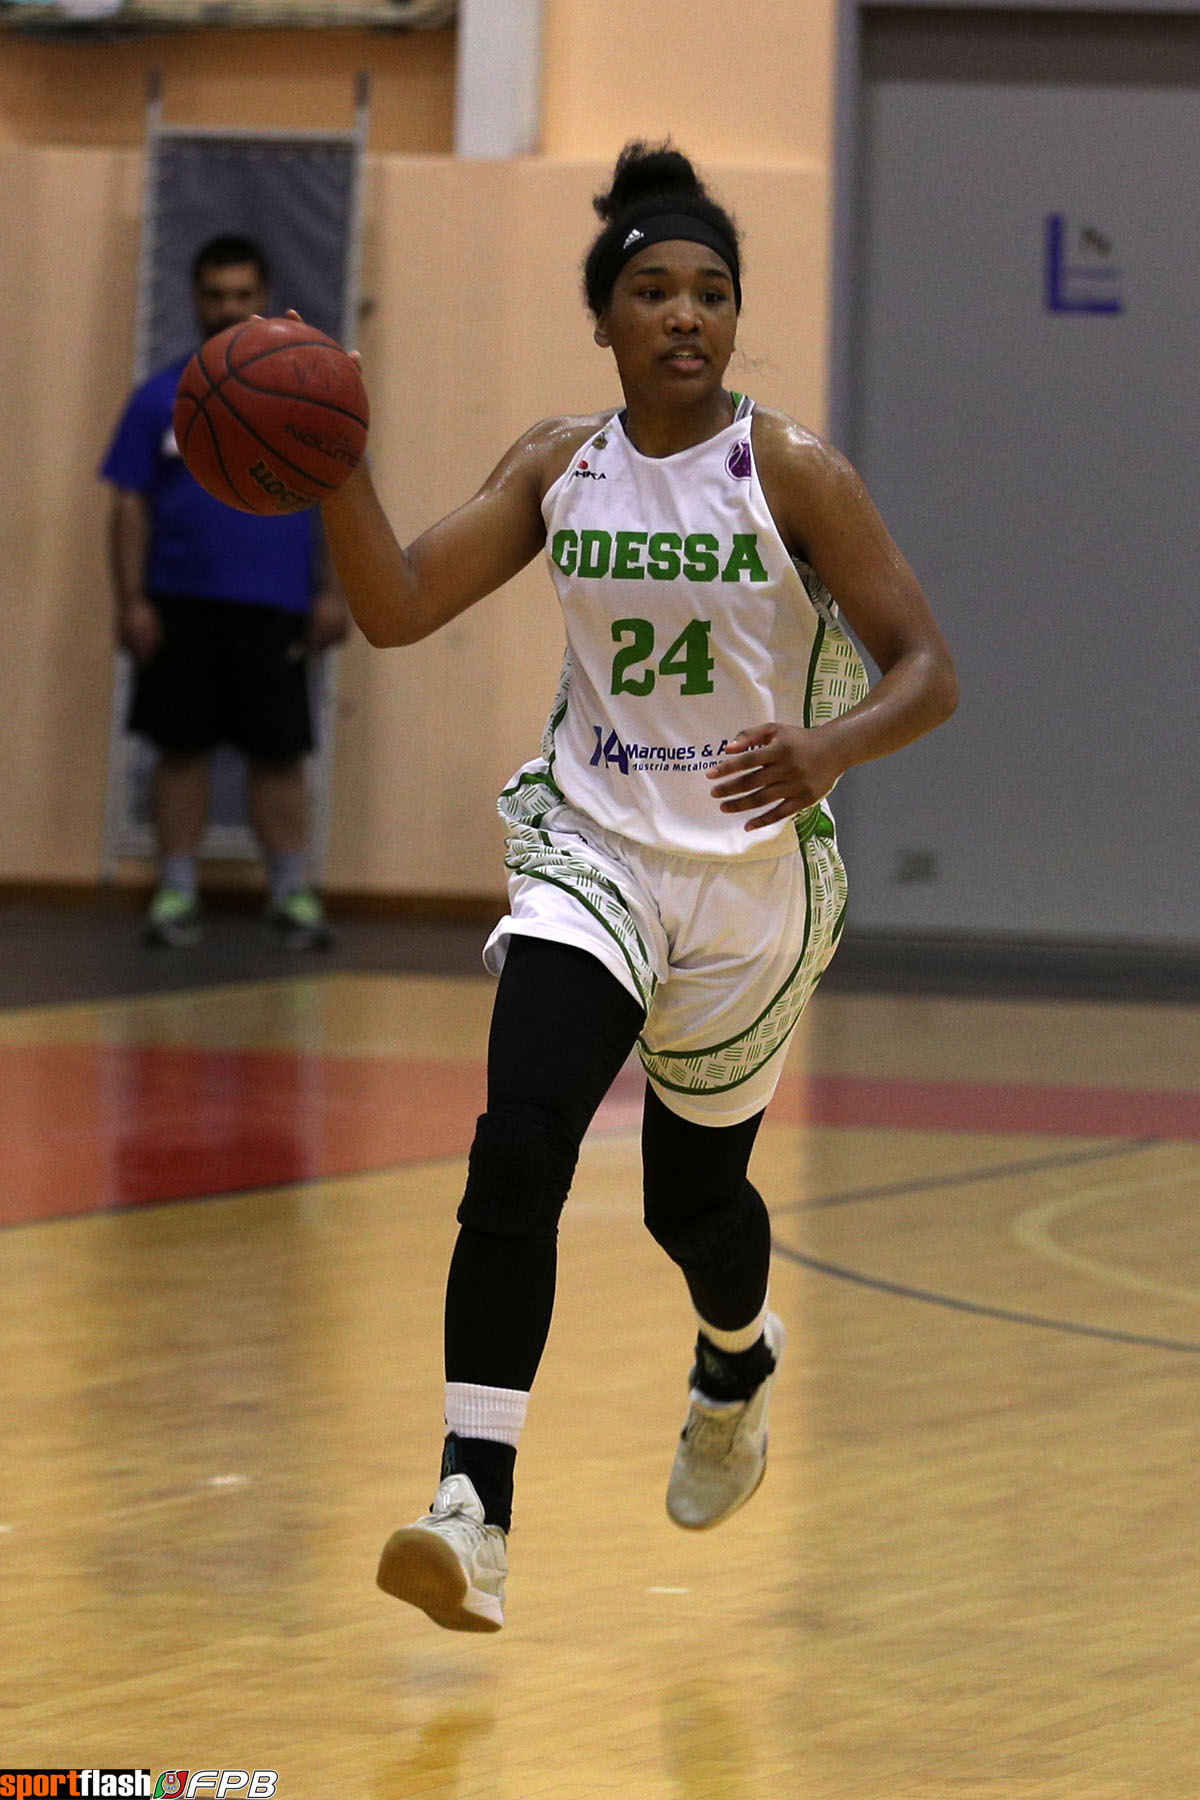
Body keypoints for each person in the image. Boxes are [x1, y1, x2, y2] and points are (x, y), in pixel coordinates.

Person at [320, 142, 959, 1633]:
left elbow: (928, 670)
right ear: (603, 317)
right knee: (520, 1141)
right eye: (655, 290)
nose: (686, 314)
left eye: (712, 292)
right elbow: (397, 605)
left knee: (693, 1204)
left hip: (747, 879)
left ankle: (737, 1356)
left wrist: (830, 747)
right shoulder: (560, 464)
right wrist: (334, 460)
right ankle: (473, 1504)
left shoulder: (792, 472)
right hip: (594, 849)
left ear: (735, 317)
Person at [101, 234, 347, 951]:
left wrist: (334, 593)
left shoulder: (302, 400)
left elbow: (337, 496)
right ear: (195, 299)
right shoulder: (159, 398)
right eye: (215, 295)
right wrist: (131, 601)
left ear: (263, 297)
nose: (228, 307)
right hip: (180, 600)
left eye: (242, 294)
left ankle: (291, 894)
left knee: (279, 753)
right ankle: (176, 892)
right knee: (180, 750)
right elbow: (128, 504)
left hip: (275, 602)